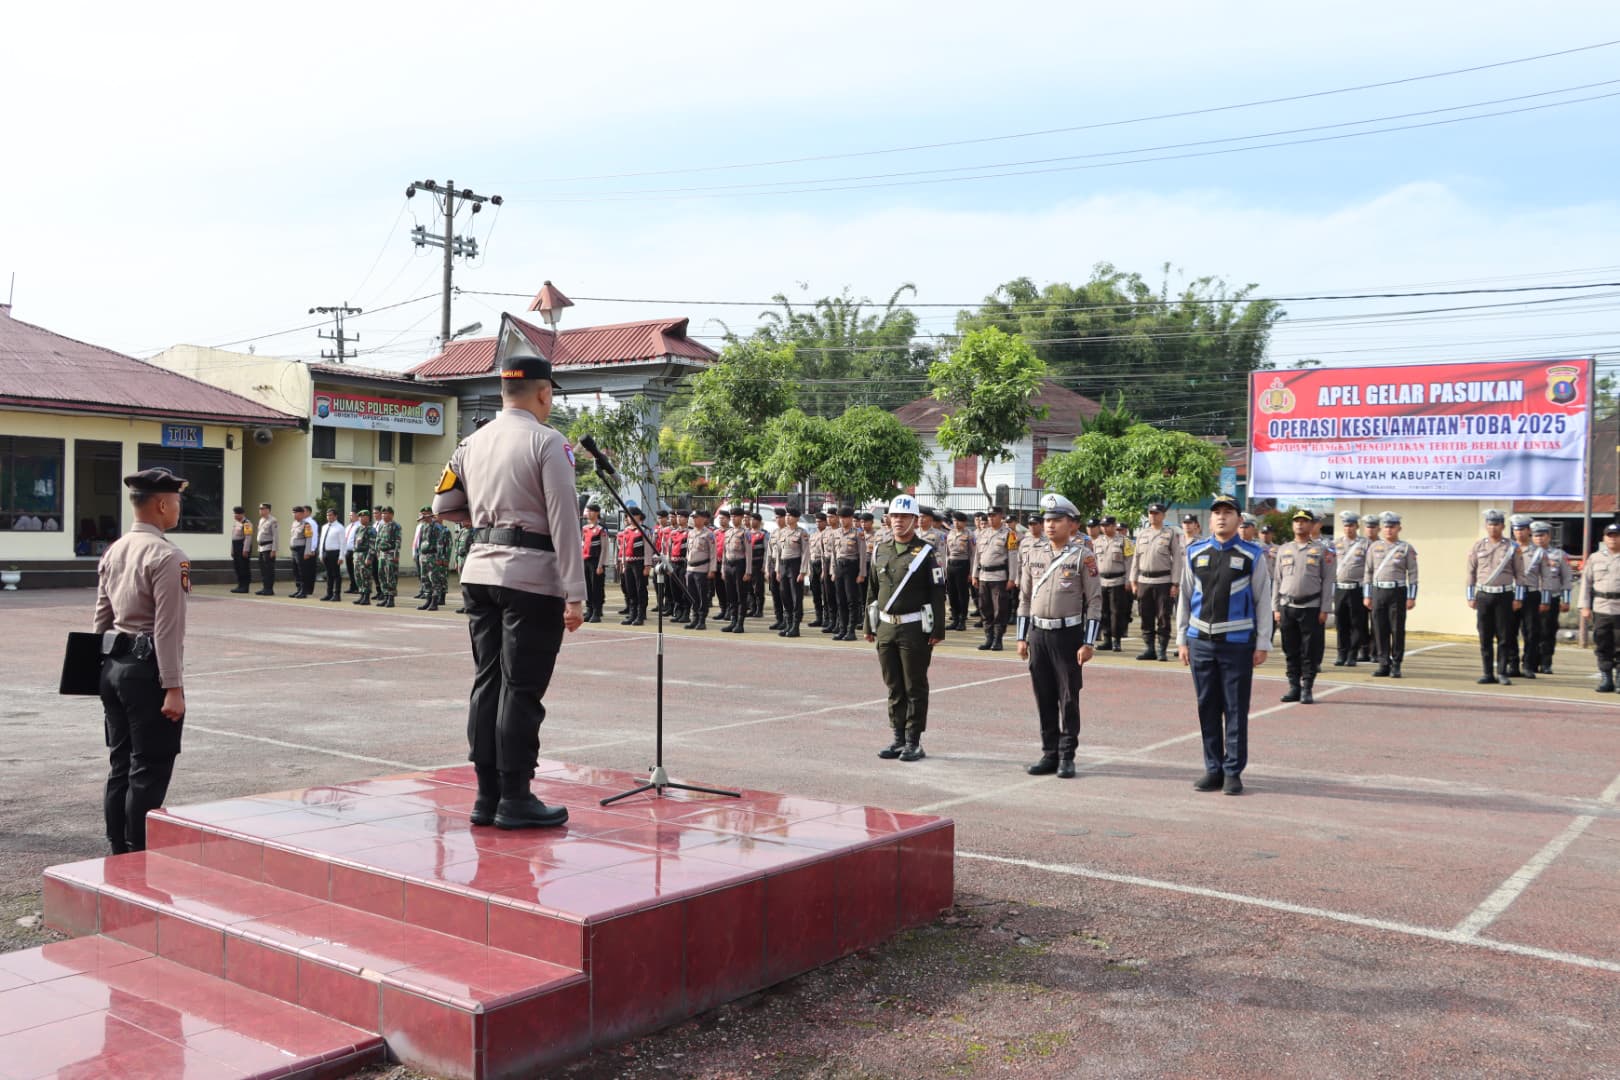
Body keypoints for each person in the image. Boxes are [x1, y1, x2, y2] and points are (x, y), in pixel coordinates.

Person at [432, 349, 584, 829]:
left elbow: (442, 505)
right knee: (520, 690)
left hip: (479, 574)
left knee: (488, 682)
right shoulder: (549, 442)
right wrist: (575, 593)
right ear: (543, 393)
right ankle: (516, 797)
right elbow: (564, 520)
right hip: (532, 579)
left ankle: (486, 796)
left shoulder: (469, 444)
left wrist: (485, 523)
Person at [91, 467, 191, 853]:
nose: (178, 508)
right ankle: (137, 858)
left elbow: (100, 617)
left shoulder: (114, 548)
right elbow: (168, 630)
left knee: (121, 766)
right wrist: (174, 688)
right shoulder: (168, 556)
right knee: (148, 769)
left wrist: (97, 671)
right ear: (163, 504)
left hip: (113, 667)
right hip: (147, 673)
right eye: (177, 501)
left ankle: (118, 849)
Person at [1175, 493, 1271, 796]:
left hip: (1238, 644)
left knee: (1235, 709)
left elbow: (1263, 601)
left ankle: (1233, 772)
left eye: (1228, 512)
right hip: (1200, 641)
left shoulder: (1252, 555)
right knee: (1207, 707)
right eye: (1216, 512)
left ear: (1239, 520)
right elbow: (1185, 599)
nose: (1221, 517)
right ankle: (1213, 768)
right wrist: (1181, 639)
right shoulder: (1195, 552)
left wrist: (1263, 643)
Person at [1016, 494, 1102, 780]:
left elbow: (1094, 601)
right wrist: (1021, 637)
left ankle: (1067, 755)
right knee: (1044, 696)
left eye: (1057, 520)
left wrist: (1088, 642)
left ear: (1072, 525)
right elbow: (1025, 597)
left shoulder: (1083, 556)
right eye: (1047, 520)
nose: (1050, 526)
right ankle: (1049, 753)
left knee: (1068, 698)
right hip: (1038, 634)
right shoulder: (1033, 553)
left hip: (1068, 635)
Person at [864, 494, 946, 762]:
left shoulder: (925, 552)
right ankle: (898, 738)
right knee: (893, 685)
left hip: (914, 629)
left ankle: (914, 740)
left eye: (904, 517)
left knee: (915, 686)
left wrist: (937, 630)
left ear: (914, 520)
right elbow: (873, 591)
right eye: (894, 516)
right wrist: (869, 624)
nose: (898, 521)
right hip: (886, 627)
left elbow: (937, 592)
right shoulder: (881, 549)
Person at [1272, 509, 1335, 704]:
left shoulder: (1322, 550)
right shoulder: (1284, 549)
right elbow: (1277, 580)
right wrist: (1275, 607)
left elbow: (1328, 581)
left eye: (1304, 521)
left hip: (1311, 606)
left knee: (1310, 650)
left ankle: (1307, 687)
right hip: (1287, 606)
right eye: (1296, 521)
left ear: (1312, 525)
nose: (1300, 524)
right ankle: (1294, 686)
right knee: (1290, 649)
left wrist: (1325, 608)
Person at [1466, 509, 1527, 686]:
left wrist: (1518, 598)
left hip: (1504, 595)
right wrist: (1470, 596)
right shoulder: (1478, 546)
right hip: (1484, 595)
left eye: (1497, 524)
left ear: (1503, 526)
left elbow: (1520, 574)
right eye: (1490, 524)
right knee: (1485, 635)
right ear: (1486, 526)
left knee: (1504, 636)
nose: (1493, 527)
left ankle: (1502, 672)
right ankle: (1487, 672)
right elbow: (1470, 572)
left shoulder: (1512, 547)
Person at [1363, 512, 1418, 678]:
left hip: (1397, 592)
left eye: (1392, 526)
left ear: (1398, 528)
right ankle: (1383, 663)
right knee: (1379, 629)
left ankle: (1396, 664)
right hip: (1378, 591)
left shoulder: (1406, 548)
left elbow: (1413, 573)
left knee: (1397, 629)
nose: (1388, 530)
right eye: (1386, 526)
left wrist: (1411, 596)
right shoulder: (1374, 547)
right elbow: (1368, 572)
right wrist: (1367, 595)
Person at [1130, 502, 1184, 661]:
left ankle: (1162, 649)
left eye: (1156, 513)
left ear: (1163, 515)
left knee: (1163, 616)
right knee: (1145, 615)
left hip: (1163, 581)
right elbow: (1136, 558)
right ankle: (1149, 649)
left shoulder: (1170, 533)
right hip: (1144, 580)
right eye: (1151, 513)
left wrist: (1175, 583)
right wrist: (1133, 580)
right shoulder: (1142, 534)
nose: (1153, 516)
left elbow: (1177, 560)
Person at [1579, 522, 1620, 693]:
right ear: (1604, 538)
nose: (1613, 539)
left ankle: (1619, 679)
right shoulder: (1595, 558)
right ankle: (1606, 678)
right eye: (1609, 536)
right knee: (1602, 644)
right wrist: (1584, 606)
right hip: (1601, 607)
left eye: (1616, 536)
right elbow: (1586, 584)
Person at [972, 505, 1019, 651]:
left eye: (994, 515)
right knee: (985, 608)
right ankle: (988, 638)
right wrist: (974, 575)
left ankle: (998, 640)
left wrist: (1012, 578)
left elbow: (1013, 556)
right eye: (989, 515)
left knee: (1000, 609)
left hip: (999, 577)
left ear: (1001, 517)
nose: (991, 518)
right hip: (984, 576)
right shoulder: (983, 533)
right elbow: (977, 556)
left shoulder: (1008, 534)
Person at [1528, 521, 1573, 674]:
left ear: (1548, 536)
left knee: (1548, 631)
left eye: (1542, 535)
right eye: (1535, 535)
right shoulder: (1527, 553)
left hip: (1552, 598)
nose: (1539, 539)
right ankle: (1530, 662)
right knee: (1530, 631)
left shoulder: (1559, 555)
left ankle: (1546, 663)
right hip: (1531, 598)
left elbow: (1566, 578)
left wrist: (1566, 600)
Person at [1332, 510, 1371, 667]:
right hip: (1340, 588)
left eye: (1351, 525)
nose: (1348, 528)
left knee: (1357, 624)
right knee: (1341, 623)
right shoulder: (1336, 544)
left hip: (1357, 588)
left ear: (1357, 526)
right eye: (1346, 525)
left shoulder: (1365, 544)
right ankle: (1341, 653)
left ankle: (1352, 654)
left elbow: (1370, 567)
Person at [1094, 515, 1130, 651]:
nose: (1104, 528)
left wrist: (1128, 580)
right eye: (1102, 526)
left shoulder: (1124, 541)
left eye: (1107, 525)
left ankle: (1117, 640)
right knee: (1103, 612)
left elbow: (1129, 561)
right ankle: (1107, 639)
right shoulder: (1097, 542)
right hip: (1101, 581)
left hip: (1118, 581)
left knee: (1116, 612)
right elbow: (1094, 563)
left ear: (1114, 526)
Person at [830, 506, 866, 641]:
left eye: (844, 517)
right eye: (840, 517)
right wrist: (833, 571)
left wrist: (861, 573)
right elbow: (834, 554)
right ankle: (842, 629)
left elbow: (862, 555)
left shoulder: (857, 533)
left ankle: (851, 631)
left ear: (851, 518)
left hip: (851, 568)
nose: (842, 520)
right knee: (840, 601)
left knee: (852, 601)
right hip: (839, 568)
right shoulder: (836, 533)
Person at [776, 506, 810, 637]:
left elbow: (805, 552)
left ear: (796, 518)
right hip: (784, 566)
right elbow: (778, 552)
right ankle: (788, 624)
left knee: (796, 597)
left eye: (790, 515)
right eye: (786, 515)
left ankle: (795, 627)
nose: (787, 517)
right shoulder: (782, 532)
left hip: (795, 565)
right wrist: (778, 570)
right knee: (785, 596)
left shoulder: (801, 532)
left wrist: (802, 572)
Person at [720, 508, 755, 634]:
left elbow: (749, 553)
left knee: (741, 595)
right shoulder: (728, 533)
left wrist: (748, 571)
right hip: (729, 566)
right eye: (732, 516)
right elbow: (724, 552)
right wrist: (723, 569)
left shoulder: (745, 533)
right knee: (731, 595)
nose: (733, 518)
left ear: (741, 518)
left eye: (736, 516)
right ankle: (733, 621)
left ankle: (740, 623)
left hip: (740, 565)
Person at [618, 507, 652, 626]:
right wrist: (623, 563)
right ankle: (632, 614)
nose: (629, 518)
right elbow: (623, 548)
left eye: (631, 515)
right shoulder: (626, 531)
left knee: (640, 589)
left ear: (638, 516)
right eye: (627, 516)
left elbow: (648, 549)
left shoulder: (644, 531)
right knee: (630, 589)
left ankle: (640, 615)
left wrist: (647, 565)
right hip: (628, 563)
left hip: (639, 563)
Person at [684, 507, 716, 630]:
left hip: (702, 569)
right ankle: (695, 618)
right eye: (693, 518)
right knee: (692, 595)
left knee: (702, 596)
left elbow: (713, 553)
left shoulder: (708, 534)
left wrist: (712, 570)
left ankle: (702, 620)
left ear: (703, 519)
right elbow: (688, 551)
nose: (694, 520)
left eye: (696, 517)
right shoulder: (691, 533)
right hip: (690, 569)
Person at [944, 512, 975, 632]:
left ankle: (962, 620)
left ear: (964, 522)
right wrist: (946, 568)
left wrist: (971, 572)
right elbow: (947, 552)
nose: (956, 523)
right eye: (954, 521)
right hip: (951, 564)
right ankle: (955, 619)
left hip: (963, 564)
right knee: (952, 594)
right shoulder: (950, 533)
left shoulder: (969, 534)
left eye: (959, 521)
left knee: (963, 594)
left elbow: (973, 554)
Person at [580, 502, 607, 623]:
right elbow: (582, 545)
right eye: (587, 511)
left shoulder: (601, 529)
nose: (588, 513)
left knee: (596, 586)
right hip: (586, 560)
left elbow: (604, 548)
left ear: (597, 513)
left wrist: (601, 564)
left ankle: (597, 611)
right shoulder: (585, 528)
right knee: (587, 586)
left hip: (596, 560)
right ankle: (589, 609)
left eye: (591, 511)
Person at [373, 507, 403, 607]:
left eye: (386, 513)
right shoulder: (381, 526)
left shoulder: (395, 526)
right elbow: (378, 539)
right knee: (382, 576)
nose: (383, 515)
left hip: (391, 554)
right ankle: (385, 596)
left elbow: (398, 541)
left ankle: (391, 598)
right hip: (382, 554)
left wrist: (396, 554)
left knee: (391, 576)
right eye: (382, 514)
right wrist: (377, 551)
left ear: (391, 514)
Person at [668, 508, 691, 625]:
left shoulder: (690, 533)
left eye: (681, 517)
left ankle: (686, 612)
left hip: (684, 563)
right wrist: (668, 564)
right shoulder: (673, 533)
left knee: (684, 589)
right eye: (677, 517)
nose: (678, 519)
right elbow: (669, 549)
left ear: (686, 519)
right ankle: (678, 612)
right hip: (673, 563)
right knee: (674, 589)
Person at [319, 507, 346, 601]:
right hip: (326, 552)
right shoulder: (324, 527)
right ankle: (329, 593)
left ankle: (337, 594)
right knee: (329, 574)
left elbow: (343, 543)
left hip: (335, 552)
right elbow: (322, 541)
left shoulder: (340, 527)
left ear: (335, 516)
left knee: (336, 574)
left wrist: (341, 556)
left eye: (331, 515)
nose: (329, 517)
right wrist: (321, 554)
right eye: (327, 515)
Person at [352, 509, 376, 605]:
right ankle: (361, 594)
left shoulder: (371, 530)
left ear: (368, 518)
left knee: (366, 576)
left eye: (364, 517)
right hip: (357, 555)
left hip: (365, 554)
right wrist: (354, 555)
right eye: (360, 517)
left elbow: (372, 545)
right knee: (358, 576)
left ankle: (366, 597)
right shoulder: (358, 529)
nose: (362, 518)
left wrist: (369, 557)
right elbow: (355, 542)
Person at [254, 503, 278, 595]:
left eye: (262, 508)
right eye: (260, 508)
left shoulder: (273, 520)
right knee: (263, 569)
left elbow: (275, 536)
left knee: (269, 570)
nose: (260, 510)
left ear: (268, 510)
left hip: (268, 548)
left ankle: (269, 589)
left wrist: (274, 550)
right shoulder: (261, 520)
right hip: (261, 548)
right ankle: (265, 587)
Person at [229, 506, 252, 593]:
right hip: (236, 547)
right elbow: (233, 538)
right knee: (237, 567)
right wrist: (232, 550)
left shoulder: (247, 523)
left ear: (242, 514)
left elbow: (248, 537)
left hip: (242, 547)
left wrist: (245, 550)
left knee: (244, 567)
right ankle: (240, 585)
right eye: (234, 514)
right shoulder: (236, 523)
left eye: (237, 514)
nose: (235, 515)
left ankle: (245, 586)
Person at [413, 508, 431, 600]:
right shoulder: (419, 526)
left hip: (425, 553)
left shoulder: (428, 526)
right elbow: (416, 540)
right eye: (420, 515)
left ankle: (426, 591)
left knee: (426, 573)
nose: (421, 517)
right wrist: (414, 552)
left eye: (423, 515)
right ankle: (422, 590)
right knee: (420, 573)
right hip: (418, 551)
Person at [343, 510, 361, 594]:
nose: (350, 517)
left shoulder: (359, 526)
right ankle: (352, 586)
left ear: (357, 516)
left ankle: (358, 587)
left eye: (352, 515)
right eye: (349, 515)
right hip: (348, 551)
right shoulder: (348, 526)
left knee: (356, 570)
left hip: (355, 551)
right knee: (350, 570)